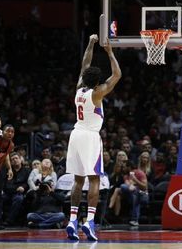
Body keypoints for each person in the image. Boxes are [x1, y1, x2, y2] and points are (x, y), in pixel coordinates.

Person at [66, 34, 121, 241]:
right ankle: (88, 221)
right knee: (95, 179)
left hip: (75, 134)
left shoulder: (79, 88)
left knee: (78, 181)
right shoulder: (97, 93)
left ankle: (72, 220)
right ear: (97, 82)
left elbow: (85, 63)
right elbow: (117, 75)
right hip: (90, 137)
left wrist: (90, 42)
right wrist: (109, 52)